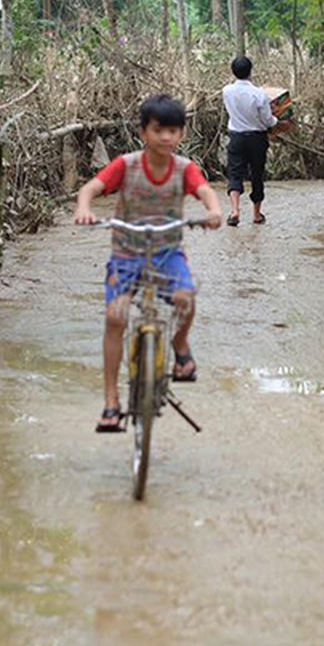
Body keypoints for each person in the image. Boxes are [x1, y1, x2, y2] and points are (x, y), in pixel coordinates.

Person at [73, 94, 223, 432]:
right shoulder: (126, 165)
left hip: (168, 254)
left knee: (186, 298)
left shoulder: (185, 168)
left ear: (182, 134)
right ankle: (111, 400)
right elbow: (91, 188)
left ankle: (180, 344)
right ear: (144, 132)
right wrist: (84, 208)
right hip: (126, 255)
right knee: (116, 318)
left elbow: (205, 192)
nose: (166, 137)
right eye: (158, 130)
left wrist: (213, 211)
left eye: (173, 131)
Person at [222, 56, 277, 226]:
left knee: (235, 173)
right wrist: (276, 119)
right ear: (251, 71)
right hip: (257, 138)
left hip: (236, 137)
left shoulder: (227, 91)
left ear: (233, 71)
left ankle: (235, 211)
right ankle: (256, 214)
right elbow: (268, 120)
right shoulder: (259, 94)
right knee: (257, 175)